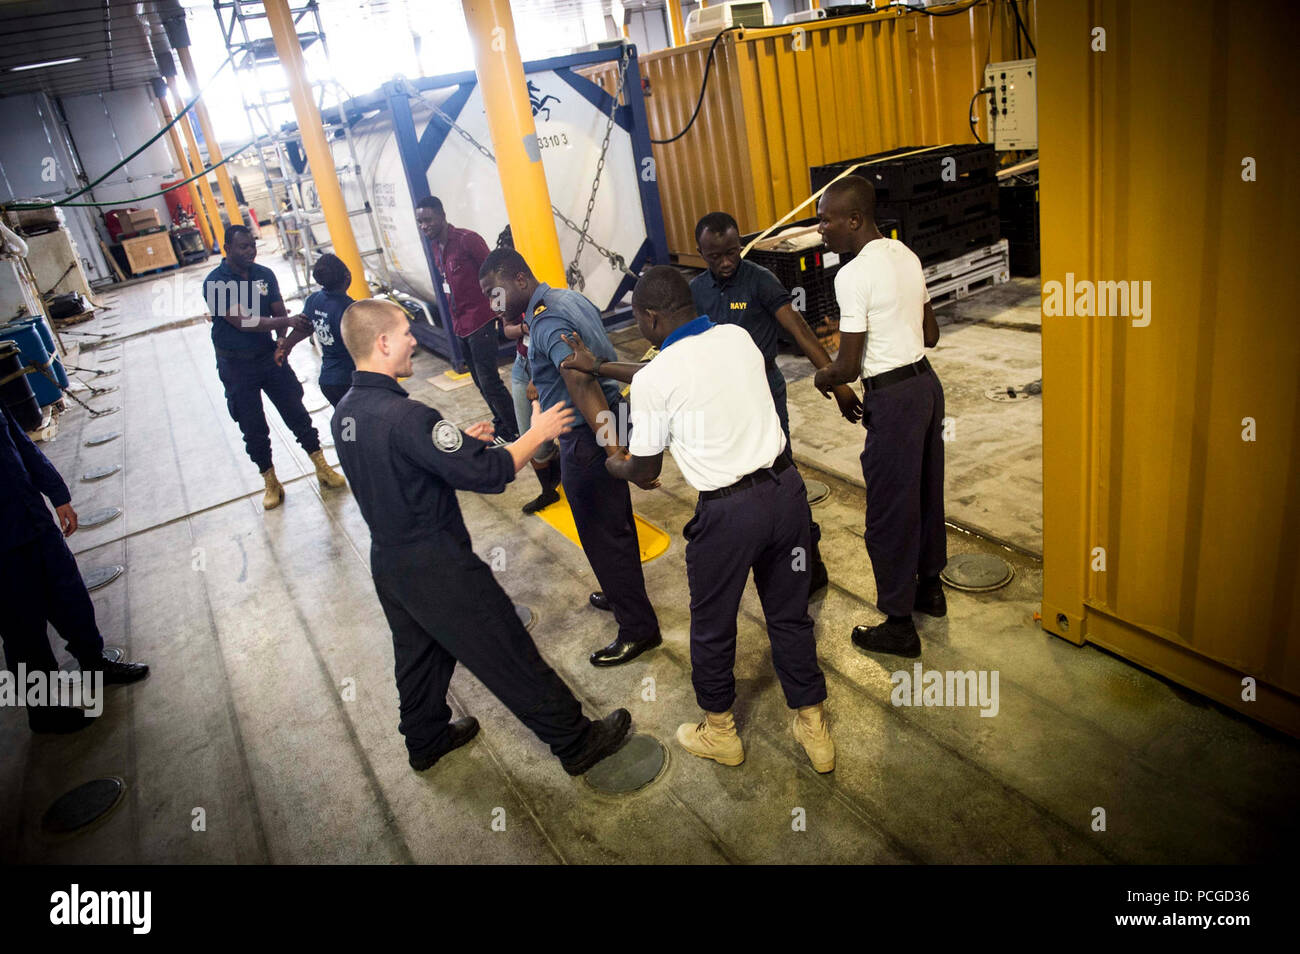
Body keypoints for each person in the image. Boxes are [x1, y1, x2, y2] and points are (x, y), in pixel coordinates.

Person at [330, 299, 631, 775]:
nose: (413, 339)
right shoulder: (408, 417)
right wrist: (538, 431)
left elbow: (403, 468)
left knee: (419, 655)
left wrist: (456, 444)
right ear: (382, 343)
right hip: (439, 566)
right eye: (406, 332)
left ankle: (425, 739)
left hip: (391, 562)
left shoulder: (346, 412)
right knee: (506, 649)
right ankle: (576, 743)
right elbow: (490, 472)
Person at [566, 266, 833, 772]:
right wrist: (599, 365)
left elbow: (646, 465)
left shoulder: (658, 379)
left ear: (647, 317)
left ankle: (721, 732)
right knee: (790, 615)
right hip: (787, 495)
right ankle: (814, 726)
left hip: (729, 516)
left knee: (712, 626)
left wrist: (613, 464)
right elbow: (670, 375)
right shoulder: (736, 337)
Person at [478, 248, 661, 668]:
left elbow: (581, 383)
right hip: (611, 418)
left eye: (495, 292)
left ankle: (638, 629)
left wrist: (615, 452)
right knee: (614, 525)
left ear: (521, 280)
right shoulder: (567, 298)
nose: (494, 304)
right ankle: (622, 595)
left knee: (602, 534)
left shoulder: (546, 321)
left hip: (588, 434)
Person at [691, 212, 864, 597]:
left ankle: (811, 563)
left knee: (783, 476)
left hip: (765, 395)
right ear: (699, 252)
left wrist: (837, 384)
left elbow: (800, 330)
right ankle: (767, 557)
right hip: (722, 403)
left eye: (732, 252)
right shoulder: (696, 291)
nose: (725, 262)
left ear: (740, 245)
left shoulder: (759, 280)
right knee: (742, 485)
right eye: (714, 256)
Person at [812, 176, 946, 658]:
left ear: (854, 219)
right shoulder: (904, 254)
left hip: (893, 399)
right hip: (928, 387)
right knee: (927, 494)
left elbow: (848, 365)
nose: (820, 227)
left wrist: (823, 379)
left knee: (889, 512)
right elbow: (930, 334)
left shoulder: (850, 276)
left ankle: (898, 624)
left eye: (826, 219)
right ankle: (930, 590)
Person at [0, 403, 148, 734]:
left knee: (71, 599)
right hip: (4, 550)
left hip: (34, 524)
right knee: (23, 632)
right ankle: (44, 712)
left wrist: (57, 495)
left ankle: (95, 664)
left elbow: (21, 444)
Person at [203, 225, 347, 509]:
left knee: (295, 410)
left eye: (252, 245)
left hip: (267, 356)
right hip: (235, 364)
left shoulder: (264, 275)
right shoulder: (215, 283)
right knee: (252, 424)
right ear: (227, 249)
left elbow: (278, 310)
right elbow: (242, 321)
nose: (249, 251)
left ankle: (321, 466)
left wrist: (282, 342)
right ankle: (270, 481)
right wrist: (287, 324)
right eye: (242, 247)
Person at [415, 197, 518, 442]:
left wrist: (503, 315)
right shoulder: (434, 246)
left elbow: (498, 275)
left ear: (442, 215)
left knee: (490, 381)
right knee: (479, 382)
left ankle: (515, 429)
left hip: (481, 320)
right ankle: (501, 422)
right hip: (460, 324)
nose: (424, 226)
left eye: (428, 220)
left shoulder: (466, 240)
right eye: (420, 221)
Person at [273, 253, 356, 407]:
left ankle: (346, 431)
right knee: (360, 424)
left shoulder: (314, 300)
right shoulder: (350, 309)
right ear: (348, 276)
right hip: (350, 381)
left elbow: (303, 328)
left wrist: (285, 347)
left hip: (328, 380)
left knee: (346, 422)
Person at [502, 308, 561, 514]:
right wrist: (522, 328)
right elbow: (507, 330)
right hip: (521, 363)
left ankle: (558, 471)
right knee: (529, 435)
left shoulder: (545, 298)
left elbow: (555, 333)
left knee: (548, 436)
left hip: (546, 364)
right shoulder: (509, 297)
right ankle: (548, 491)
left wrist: (537, 378)